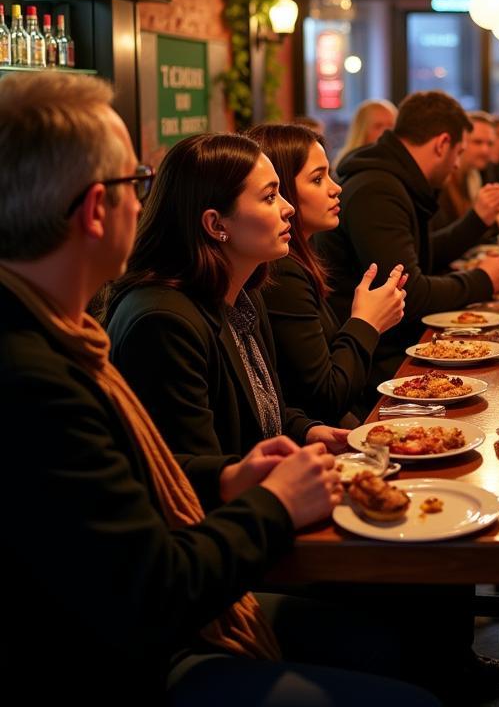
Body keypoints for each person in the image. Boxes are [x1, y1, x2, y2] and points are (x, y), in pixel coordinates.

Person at [0, 72, 435, 706]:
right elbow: (157, 588)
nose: (142, 201)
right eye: (135, 183)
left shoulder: (61, 340)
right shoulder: (46, 374)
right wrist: (276, 503)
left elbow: (157, 478)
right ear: (97, 208)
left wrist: (233, 476)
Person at [105, 133, 351, 459]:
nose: (288, 208)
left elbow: (260, 410)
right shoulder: (163, 323)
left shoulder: (244, 294)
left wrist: (305, 430)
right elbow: (194, 472)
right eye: (269, 197)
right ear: (215, 223)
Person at [319, 91, 499, 389]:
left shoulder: (395, 180)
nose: (456, 165)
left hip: (396, 347)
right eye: (458, 152)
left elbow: (423, 256)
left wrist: (477, 225)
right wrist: (483, 280)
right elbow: (408, 292)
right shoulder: (377, 189)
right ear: (442, 144)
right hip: (378, 364)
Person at [248, 123, 407, 425]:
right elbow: (327, 397)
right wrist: (366, 322)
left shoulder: (298, 259)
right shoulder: (280, 273)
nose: (336, 188)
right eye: (318, 179)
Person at [432, 111, 499, 237]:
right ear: (461, 143)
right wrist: (497, 225)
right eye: (477, 142)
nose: (485, 150)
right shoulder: (443, 180)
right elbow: (445, 241)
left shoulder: (475, 176)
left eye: (490, 144)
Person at [330, 98, 397, 176]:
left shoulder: (399, 162)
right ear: (362, 130)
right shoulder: (347, 166)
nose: (387, 131)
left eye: (391, 125)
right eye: (378, 126)